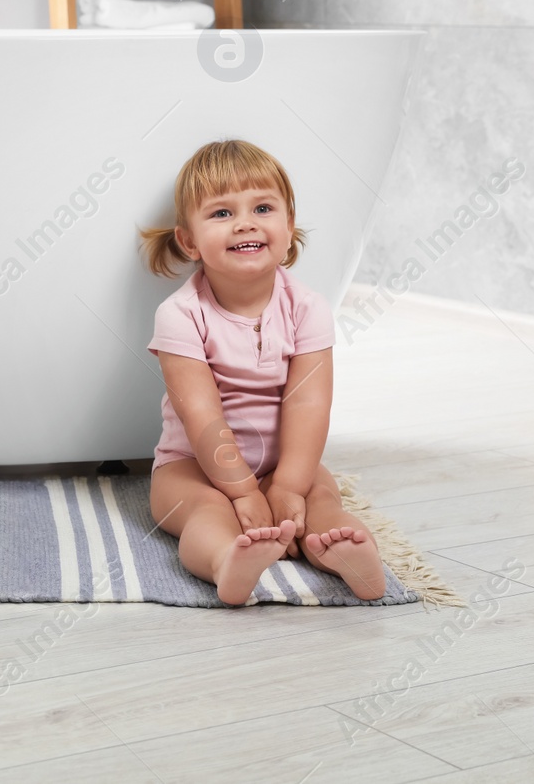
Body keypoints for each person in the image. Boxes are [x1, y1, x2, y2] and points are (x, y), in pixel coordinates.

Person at [139, 139, 386, 605]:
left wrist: (289, 485)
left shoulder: (308, 308)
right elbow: (201, 416)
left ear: (289, 227)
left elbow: (310, 403)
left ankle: (351, 552)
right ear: (189, 241)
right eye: (221, 214)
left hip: (283, 463)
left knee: (322, 499)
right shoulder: (181, 315)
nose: (245, 223)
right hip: (192, 467)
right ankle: (225, 561)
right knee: (208, 511)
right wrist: (243, 494)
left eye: (263, 207)